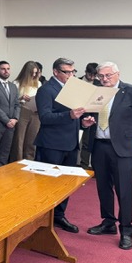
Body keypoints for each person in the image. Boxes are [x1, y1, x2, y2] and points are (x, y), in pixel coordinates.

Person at [85, 62, 132, 250]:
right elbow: (88, 117)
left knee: (124, 189)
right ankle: (108, 223)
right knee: (103, 187)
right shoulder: (95, 92)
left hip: (122, 149)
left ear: (117, 74)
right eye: (101, 76)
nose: (104, 79)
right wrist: (85, 122)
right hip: (99, 146)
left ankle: (127, 230)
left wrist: (127, 137)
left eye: (108, 75)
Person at [34, 57, 95, 234]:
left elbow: (73, 116)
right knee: (48, 184)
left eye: (73, 72)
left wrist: (83, 123)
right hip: (52, 144)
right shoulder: (46, 90)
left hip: (71, 142)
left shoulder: (72, 89)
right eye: (67, 72)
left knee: (65, 184)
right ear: (55, 72)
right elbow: (45, 117)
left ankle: (59, 216)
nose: (71, 75)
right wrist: (69, 115)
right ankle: (42, 218)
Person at [9, 61, 41, 162]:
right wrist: (21, 98)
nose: (34, 75)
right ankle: (17, 161)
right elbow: (11, 100)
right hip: (22, 110)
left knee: (32, 139)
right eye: (32, 73)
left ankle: (29, 161)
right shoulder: (16, 83)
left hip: (35, 112)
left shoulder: (38, 83)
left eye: (36, 73)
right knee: (19, 139)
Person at [79, 62, 101, 168]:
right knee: (73, 141)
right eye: (90, 74)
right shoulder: (77, 82)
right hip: (77, 114)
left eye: (94, 75)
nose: (92, 77)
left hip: (92, 115)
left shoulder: (99, 84)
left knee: (87, 142)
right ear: (85, 72)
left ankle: (85, 165)